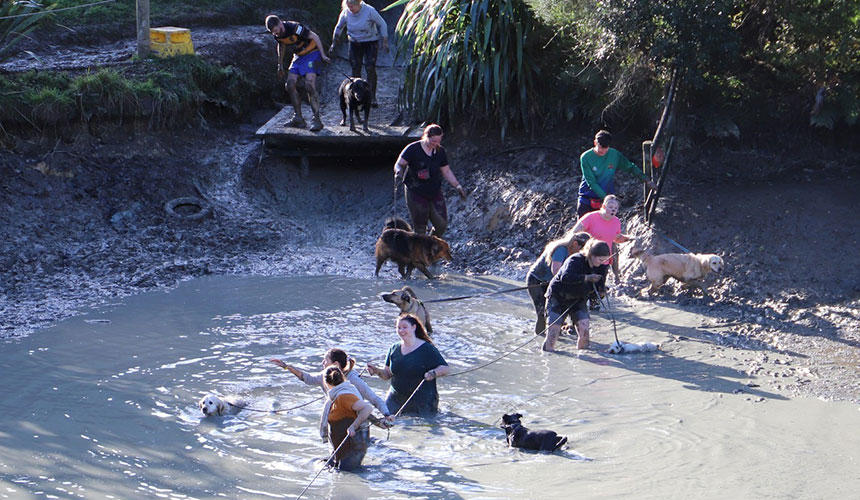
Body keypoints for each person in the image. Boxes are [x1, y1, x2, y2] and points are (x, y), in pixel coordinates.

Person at [269, 348, 392, 420]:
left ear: (335, 365)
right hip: (335, 417)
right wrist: (286, 367)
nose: (322, 363)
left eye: (325, 360)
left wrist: (387, 415)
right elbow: (307, 378)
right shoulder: (324, 376)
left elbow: (374, 399)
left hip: (355, 419)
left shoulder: (353, 379)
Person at [367, 313, 450, 416]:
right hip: (395, 399)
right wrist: (376, 371)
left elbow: (445, 368)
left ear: (414, 327)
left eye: (404, 327)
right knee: (386, 420)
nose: (401, 330)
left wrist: (433, 373)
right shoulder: (393, 348)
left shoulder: (426, 349)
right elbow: (387, 375)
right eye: (398, 328)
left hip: (422, 401)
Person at [393, 124, 467, 237]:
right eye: (433, 141)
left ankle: (431, 242)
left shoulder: (440, 151)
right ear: (426, 136)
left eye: (438, 141)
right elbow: (399, 164)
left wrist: (457, 186)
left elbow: (446, 171)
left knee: (441, 224)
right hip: (415, 191)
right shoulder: (412, 149)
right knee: (420, 228)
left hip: (434, 190)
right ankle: (421, 246)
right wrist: (398, 172)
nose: (436, 144)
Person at [542, 239, 611, 352]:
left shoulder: (602, 267)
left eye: (605, 260)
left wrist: (602, 291)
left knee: (584, 330)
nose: (602, 262)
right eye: (600, 259)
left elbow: (598, 290)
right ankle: (547, 355)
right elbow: (565, 277)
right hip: (558, 297)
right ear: (591, 254)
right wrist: (586, 278)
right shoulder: (575, 260)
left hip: (579, 299)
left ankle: (583, 356)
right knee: (553, 333)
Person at [265, 14, 331, 132]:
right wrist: (280, 65)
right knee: (290, 85)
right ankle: (298, 117)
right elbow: (281, 45)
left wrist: (323, 54)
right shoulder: (277, 35)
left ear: (280, 23)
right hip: (298, 56)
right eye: (273, 33)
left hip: (312, 53)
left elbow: (314, 36)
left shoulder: (295, 28)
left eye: (276, 31)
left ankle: (316, 120)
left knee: (309, 84)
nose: (276, 34)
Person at [577, 130, 657, 218]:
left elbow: (630, 167)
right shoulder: (586, 157)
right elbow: (591, 182)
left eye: (606, 148)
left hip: (607, 203)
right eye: (600, 147)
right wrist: (606, 198)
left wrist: (646, 180)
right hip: (588, 200)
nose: (603, 151)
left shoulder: (614, 155)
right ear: (595, 143)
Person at [525, 230, 591, 335]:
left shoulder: (577, 254)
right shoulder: (561, 250)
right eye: (583, 249)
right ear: (575, 244)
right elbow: (556, 271)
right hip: (537, 281)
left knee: (559, 310)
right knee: (542, 313)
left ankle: (558, 333)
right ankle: (541, 336)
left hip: (553, 282)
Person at [329, 0, 389, 107]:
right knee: (355, 68)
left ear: (358, 4)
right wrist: (334, 43)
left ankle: (372, 96)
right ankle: (356, 95)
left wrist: (385, 41)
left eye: (352, 6)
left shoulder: (369, 11)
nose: (350, 9)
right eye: (348, 6)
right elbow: (339, 27)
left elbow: (382, 24)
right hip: (354, 42)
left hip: (370, 42)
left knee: (370, 68)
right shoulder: (346, 12)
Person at [321, 365, 373, 470]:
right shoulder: (335, 396)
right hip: (343, 449)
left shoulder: (344, 396)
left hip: (352, 448)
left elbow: (368, 408)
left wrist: (353, 426)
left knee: (346, 473)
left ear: (326, 383)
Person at [571, 194, 633, 282]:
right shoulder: (590, 217)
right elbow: (575, 233)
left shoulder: (616, 222)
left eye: (615, 208)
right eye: (610, 207)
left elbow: (615, 238)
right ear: (603, 206)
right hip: (588, 258)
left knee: (600, 285)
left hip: (604, 259)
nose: (613, 210)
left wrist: (628, 238)